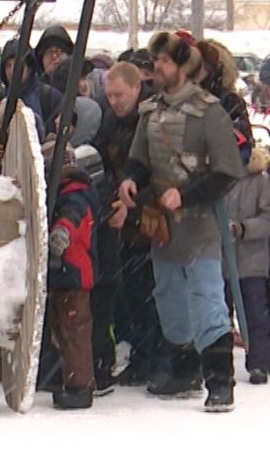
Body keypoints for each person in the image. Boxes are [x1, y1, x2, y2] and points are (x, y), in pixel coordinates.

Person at [114, 31, 244, 412]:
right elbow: (139, 157)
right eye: (157, 61)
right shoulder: (151, 111)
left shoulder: (210, 112)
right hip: (163, 225)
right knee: (169, 299)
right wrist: (131, 178)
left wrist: (185, 195)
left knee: (207, 299)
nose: (158, 67)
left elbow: (228, 171)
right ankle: (184, 370)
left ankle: (220, 380)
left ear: (183, 67)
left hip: (199, 223)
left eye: (166, 61)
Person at [93, 61, 162, 388]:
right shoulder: (111, 119)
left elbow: (161, 173)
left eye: (119, 95)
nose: (114, 101)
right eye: (109, 95)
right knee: (130, 293)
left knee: (150, 293)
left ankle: (153, 359)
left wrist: (132, 205)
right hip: (121, 213)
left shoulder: (151, 119)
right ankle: (138, 355)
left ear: (137, 88)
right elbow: (102, 164)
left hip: (151, 215)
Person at [42, 136, 101, 409]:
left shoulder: (75, 194)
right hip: (64, 272)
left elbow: (75, 217)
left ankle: (80, 386)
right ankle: (68, 377)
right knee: (63, 329)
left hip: (74, 271)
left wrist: (62, 231)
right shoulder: (66, 193)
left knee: (74, 331)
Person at [224, 147, 270, 385]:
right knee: (221, 313)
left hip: (252, 260)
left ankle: (260, 362)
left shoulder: (260, 182)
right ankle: (220, 366)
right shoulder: (220, 178)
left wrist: (244, 228)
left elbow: (267, 218)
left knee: (255, 312)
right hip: (222, 259)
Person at [0, 39, 62, 174]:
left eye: (18, 64)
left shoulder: (48, 96)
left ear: (30, 67)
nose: (12, 70)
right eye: (8, 65)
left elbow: (57, 135)